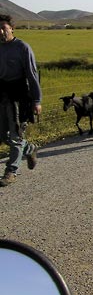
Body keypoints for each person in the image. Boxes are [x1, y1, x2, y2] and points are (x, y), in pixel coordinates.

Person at [0, 14, 42, 187]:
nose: (1, 31)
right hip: (2, 95)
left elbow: (32, 75)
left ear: (12, 28)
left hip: (19, 97)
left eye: (4, 27)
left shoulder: (22, 47)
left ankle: (11, 171)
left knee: (16, 134)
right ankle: (29, 148)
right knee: (3, 135)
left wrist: (37, 100)